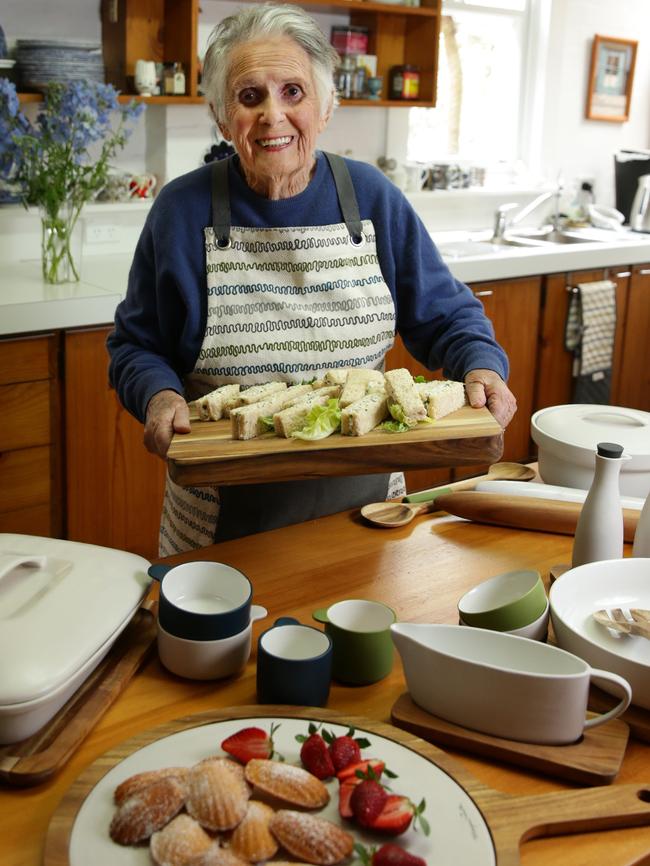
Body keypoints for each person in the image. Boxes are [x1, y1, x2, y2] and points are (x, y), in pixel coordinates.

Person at [107, 3, 517, 555]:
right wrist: (156, 396)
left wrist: (482, 365)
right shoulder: (181, 211)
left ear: (326, 106)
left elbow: (448, 317)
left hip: (371, 513)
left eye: (293, 92)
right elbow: (137, 345)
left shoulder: (373, 200)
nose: (273, 115)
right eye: (250, 97)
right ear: (224, 119)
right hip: (218, 527)